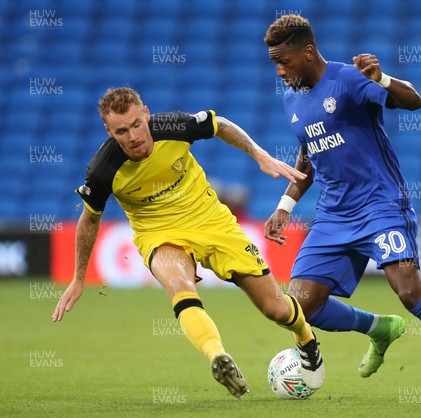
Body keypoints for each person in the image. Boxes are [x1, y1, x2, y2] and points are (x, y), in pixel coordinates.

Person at [263, 15, 421, 400]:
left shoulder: (348, 80)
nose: (279, 70)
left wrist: (383, 78)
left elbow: (413, 100)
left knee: (408, 291)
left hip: (380, 206)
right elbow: (309, 153)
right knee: (300, 307)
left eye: (283, 61)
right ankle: (378, 329)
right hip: (333, 215)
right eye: (274, 62)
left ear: (307, 52)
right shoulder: (292, 99)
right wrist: (285, 205)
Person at [52, 87, 324, 398]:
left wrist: (258, 154)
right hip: (159, 234)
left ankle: (306, 339)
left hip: (211, 220)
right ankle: (218, 357)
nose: (132, 137)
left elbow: (219, 125)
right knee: (179, 285)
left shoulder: (173, 127)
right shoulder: (102, 171)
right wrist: (78, 278)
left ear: (146, 114)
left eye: (136, 124)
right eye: (121, 131)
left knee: (275, 308)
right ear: (109, 131)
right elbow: (89, 220)